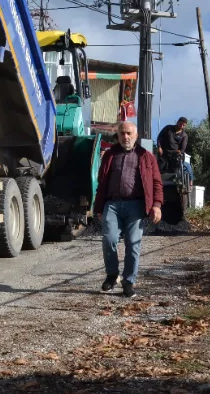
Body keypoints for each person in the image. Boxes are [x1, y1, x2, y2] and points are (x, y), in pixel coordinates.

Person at [93, 121, 163, 298]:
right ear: (118, 135)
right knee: (109, 239)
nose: (126, 137)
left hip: (136, 206)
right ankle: (112, 275)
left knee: (133, 244)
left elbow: (156, 183)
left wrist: (156, 205)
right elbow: (102, 183)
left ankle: (129, 281)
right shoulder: (110, 155)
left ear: (136, 135)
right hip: (112, 205)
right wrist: (99, 207)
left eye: (129, 133)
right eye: (122, 133)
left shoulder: (146, 157)